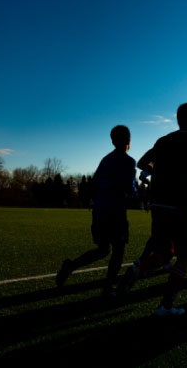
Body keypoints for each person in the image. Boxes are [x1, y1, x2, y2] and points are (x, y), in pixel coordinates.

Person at [117, 103, 187, 317]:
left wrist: (156, 171)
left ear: (177, 120)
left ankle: (137, 270)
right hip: (180, 204)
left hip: (157, 204)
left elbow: (142, 162)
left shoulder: (163, 140)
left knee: (164, 253)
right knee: (183, 256)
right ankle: (166, 305)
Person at [56, 125, 137, 296]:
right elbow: (128, 188)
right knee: (118, 250)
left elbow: (93, 184)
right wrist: (138, 192)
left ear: (112, 141)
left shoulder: (105, 160)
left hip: (100, 211)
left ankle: (71, 266)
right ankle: (108, 287)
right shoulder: (128, 162)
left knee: (103, 249)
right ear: (129, 140)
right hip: (115, 212)